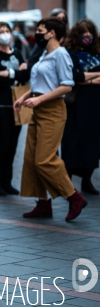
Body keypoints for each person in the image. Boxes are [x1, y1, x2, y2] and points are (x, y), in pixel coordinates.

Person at [14, 17, 87, 221]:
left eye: (40, 30)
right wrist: (25, 96)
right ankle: (43, 203)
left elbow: (67, 85)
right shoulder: (45, 54)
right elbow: (40, 83)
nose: (37, 33)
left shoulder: (61, 54)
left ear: (52, 33)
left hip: (52, 110)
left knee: (44, 160)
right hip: (37, 107)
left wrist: (40, 100)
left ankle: (74, 197)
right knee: (31, 159)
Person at [0, 22, 29, 196]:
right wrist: (15, 73)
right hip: (0, 106)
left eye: (7, 31)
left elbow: (26, 75)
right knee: (2, 144)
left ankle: (7, 182)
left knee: (12, 145)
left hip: (17, 104)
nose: (5, 34)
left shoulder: (17, 53)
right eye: (1, 31)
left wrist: (9, 74)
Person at [61, 19, 100, 195]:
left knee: (93, 142)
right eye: (84, 33)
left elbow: (83, 77)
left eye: (90, 33)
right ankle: (66, 179)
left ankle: (87, 179)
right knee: (73, 139)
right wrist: (92, 77)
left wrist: (86, 78)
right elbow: (75, 76)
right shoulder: (70, 53)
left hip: (95, 104)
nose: (87, 36)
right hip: (76, 104)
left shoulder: (96, 52)